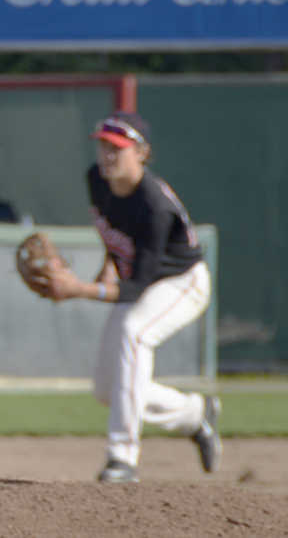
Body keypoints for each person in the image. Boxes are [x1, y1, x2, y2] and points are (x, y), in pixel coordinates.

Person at [41, 111, 220, 483]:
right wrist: (107, 264)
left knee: (135, 334)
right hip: (139, 279)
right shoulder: (97, 180)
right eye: (103, 146)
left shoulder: (155, 206)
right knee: (109, 390)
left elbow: (139, 286)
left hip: (181, 282)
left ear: (141, 152)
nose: (107, 156)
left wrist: (80, 290)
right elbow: (114, 235)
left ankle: (122, 458)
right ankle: (193, 414)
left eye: (117, 148)